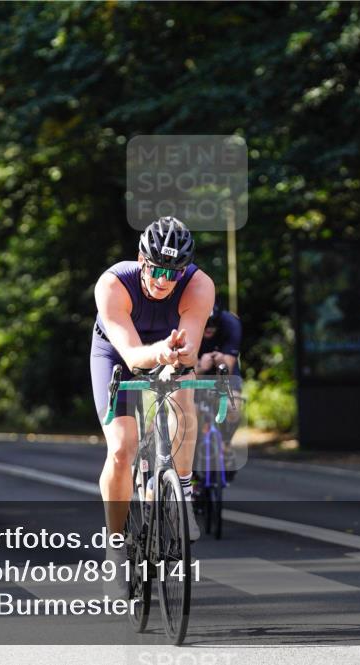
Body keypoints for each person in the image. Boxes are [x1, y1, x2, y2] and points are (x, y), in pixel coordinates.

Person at [92, 216, 215, 592]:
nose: (163, 280)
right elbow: (130, 354)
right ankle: (115, 548)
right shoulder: (114, 283)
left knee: (184, 402)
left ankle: (182, 494)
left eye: (173, 273)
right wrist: (160, 353)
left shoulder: (199, 285)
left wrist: (178, 357)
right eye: (157, 269)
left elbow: (190, 346)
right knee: (122, 448)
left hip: (170, 351)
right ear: (141, 260)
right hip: (116, 353)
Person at [196, 303, 243, 480]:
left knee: (234, 405)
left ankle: (226, 443)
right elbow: (187, 370)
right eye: (205, 325)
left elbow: (229, 367)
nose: (209, 329)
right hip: (196, 373)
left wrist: (221, 360)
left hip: (224, 374)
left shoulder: (231, 323)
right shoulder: (190, 322)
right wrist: (201, 367)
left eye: (213, 324)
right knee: (191, 413)